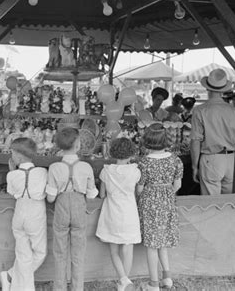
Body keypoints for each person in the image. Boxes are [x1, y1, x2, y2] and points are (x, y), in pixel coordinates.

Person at [46, 127, 98, 290]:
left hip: (61, 206)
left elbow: (50, 198)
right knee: (78, 253)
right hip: (78, 206)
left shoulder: (54, 168)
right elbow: (91, 196)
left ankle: (59, 288)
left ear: (60, 146)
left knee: (60, 252)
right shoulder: (86, 167)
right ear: (77, 145)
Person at [137, 123, 183, 291]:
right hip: (167, 202)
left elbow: (139, 188)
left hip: (149, 203)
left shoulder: (144, 162)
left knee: (151, 245)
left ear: (147, 140)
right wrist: (165, 192)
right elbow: (177, 185)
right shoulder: (175, 160)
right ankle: (167, 278)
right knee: (162, 242)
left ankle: (153, 284)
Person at [0, 138, 48, 291]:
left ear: (19, 156)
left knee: (22, 253)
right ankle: (11, 277)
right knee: (39, 252)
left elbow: (13, 192)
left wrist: (13, 171)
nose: (11, 156)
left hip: (20, 212)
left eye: (12, 153)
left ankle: (10, 277)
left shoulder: (12, 175)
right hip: (36, 214)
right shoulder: (42, 172)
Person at [96, 138, 141, 291]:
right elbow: (136, 193)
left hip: (112, 213)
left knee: (114, 250)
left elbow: (102, 195)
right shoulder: (135, 171)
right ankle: (124, 282)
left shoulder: (106, 171)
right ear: (131, 154)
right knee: (128, 249)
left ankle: (123, 281)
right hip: (129, 213)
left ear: (113, 152)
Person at [190, 69, 235, 195]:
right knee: (230, 203)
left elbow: (196, 140)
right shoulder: (234, 111)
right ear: (223, 90)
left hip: (211, 159)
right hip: (232, 159)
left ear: (207, 88)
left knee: (211, 204)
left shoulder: (200, 110)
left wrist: (194, 166)